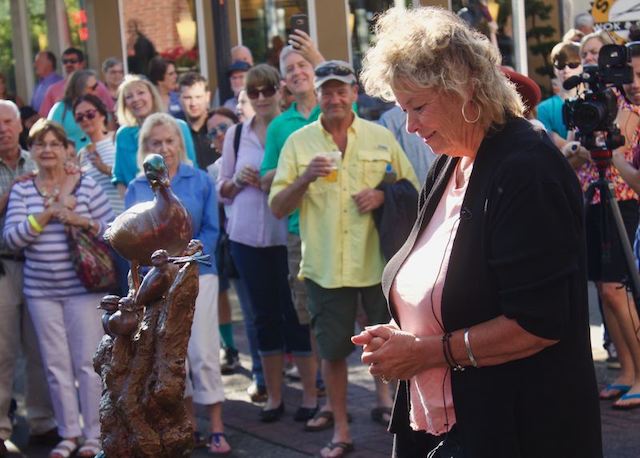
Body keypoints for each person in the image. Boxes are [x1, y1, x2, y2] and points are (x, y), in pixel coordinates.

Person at [353, 7, 602, 457]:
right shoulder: (450, 161)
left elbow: (538, 324)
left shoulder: (527, 169)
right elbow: (445, 288)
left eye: (418, 107)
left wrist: (426, 352)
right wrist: (401, 331)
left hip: (516, 430)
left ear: (465, 87)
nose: (410, 126)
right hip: (443, 426)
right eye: (403, 109)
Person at [269, 60, 418, 457]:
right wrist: (304, 178)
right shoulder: (299, 143)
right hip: (323, 268)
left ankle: (396, 415)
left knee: (391, 343)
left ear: (354, 92)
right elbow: (278, 208)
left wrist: (383, 196)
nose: (334, 98)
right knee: (332, 352)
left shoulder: (378, 137)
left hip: (377, 266)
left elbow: (414, 188)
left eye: (341, 90)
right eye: (327, 92)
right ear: (316, 97)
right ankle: (341, 428)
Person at [3, 118, 114, 458]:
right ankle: (68, 434)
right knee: (55, 365)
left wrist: (82, 220)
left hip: (84, 289)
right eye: (40, 144)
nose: (47, 150)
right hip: (41, 292)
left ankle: (95, 435)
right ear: (32, 151)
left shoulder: (87, 187)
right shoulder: (23, 188)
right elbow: (11, 238)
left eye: (54, 144)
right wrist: (47, 215)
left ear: (67, 149)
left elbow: (112, 230)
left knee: (87, 363)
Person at [218, 64, 317, 423]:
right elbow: (222, 190)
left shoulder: (293, 130)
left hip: (285, 235)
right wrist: (237, 183)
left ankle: (309, 395)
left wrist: (267, 178)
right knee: (262, 318)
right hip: (246, 238)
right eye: (253, 92)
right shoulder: (235, 135)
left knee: (296, 315)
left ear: (280, 91)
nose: (261, 98)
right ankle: (274, 397)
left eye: (267, 90)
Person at [125, 112, 229, 454]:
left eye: (170, 141)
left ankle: (215, 425)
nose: (164, 148)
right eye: (156, 142)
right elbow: (131, 238)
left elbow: (212, 230)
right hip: (158, 280)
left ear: (180, 144)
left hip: (199, 274)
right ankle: (186, 426)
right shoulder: (136, 187)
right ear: (146, 149)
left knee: (203, 351)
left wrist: (189, 260)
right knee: (171, 357)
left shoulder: (198, 179)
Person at [579, 45, 640, 409]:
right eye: (630, 75)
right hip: (597, 198)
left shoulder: (631, 113)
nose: (634, 83)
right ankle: (628, 371)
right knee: (606, 291)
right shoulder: (611, 103)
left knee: (620, 290)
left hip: (626, 203)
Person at [0, 101, 57, 456]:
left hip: (41, 265)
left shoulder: (39, 157)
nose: (3, 128)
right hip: (3, 266)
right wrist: (14, 194)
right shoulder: (22, 178)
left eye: (7, 121)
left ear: (20, 125)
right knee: (2, 353)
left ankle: (43, 422)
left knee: (40, 350)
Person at [111, 75, 197, 196]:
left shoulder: (179, 127)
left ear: (152, 95)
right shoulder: (123, 135)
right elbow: (119, 179)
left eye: (141, 93)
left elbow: (191, 167)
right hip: (140, 207)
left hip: (180, 201)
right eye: (129, 97)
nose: (135, 99)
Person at [39, 48, 114, 118]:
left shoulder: (96, 86)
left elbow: (111, 111)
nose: (68, 64)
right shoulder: (53, 90)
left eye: (73, 61)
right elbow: (44, 117)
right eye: (65, 62)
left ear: (82, 63)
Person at [536, 41, 583, 149]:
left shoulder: (595, 100)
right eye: (560, 65)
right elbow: (552, 145)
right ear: (554, 69)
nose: (566, 70)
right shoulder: (545, 108)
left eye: (573, 64)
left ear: (582, 66)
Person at [47, 70, 100, 150]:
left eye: (96, 87)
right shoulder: (60, 109)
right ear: (80, 88)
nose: (96, 91)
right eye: (93, 88)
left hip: (97, 157)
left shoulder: (98, 108)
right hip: (70, 159)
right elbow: (51, 136)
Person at [179, 72, 216, 169]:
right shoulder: (175, 131)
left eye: (198, 97)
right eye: (187, 98)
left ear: (207, 97)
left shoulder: (220, 127)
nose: (193, 103)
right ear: (179, 99)